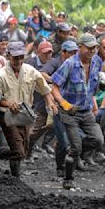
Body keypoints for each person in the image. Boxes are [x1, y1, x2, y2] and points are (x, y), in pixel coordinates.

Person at [0, 41, 57, 178]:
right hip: (8, 117)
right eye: (15, 58)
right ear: (8, 56)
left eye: (21, 57)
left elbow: (44, 89)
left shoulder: (30, 71)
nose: (19, 61)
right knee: (19, 151)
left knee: (23, 149)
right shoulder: (1, 76)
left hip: (25, 116)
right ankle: (14, 177)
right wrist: (8, 103)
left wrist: (50, 102)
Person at [51, 33, 104, 189]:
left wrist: (94, 102)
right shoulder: (69, 64)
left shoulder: (97, 61)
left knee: (98, 140)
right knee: (76, 146)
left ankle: (73, 150)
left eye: (94, 47)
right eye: (88, 48)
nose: (92, 51)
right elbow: (54, 86)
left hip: (86, 110)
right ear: (80, 47)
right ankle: (68, 178)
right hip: (70, 111)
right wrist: (62, 102)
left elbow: (91, 87)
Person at [40, 40, 79, 176]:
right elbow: (42, 73)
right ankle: (60, 166)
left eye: (75, 52)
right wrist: (56, 81)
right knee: (63, 139)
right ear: (63, 52)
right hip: (58, 106)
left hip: (73, 107)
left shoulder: (78, 65)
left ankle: (72, 163)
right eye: (71, 52)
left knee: (75, 138)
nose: (74, 55)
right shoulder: (56, 62)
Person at [25, 41, 56, 162]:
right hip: (33, 99)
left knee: (50, 126)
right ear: (38, 52)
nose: (47, 55)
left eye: (50, 53)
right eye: (45, 53)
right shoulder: (30, 63)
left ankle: (44, 144)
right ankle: (27, 151)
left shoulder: (53, 64)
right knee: (33, 130)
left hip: (47, 100)